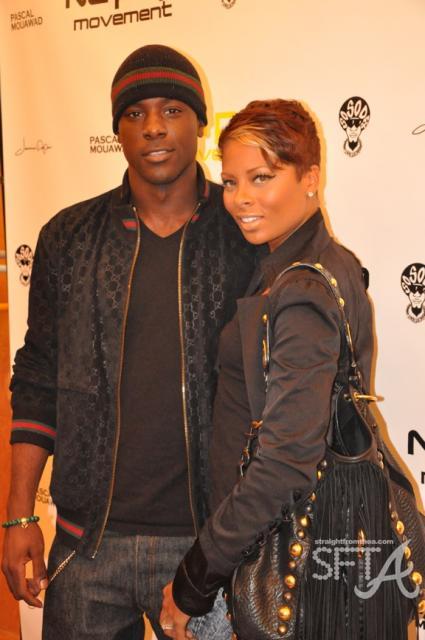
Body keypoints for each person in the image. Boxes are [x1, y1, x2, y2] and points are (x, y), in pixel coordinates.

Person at [1, 45, 257, 640]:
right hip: (88, 545)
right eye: (135, 113)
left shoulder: (243, 235)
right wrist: (18, 516)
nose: (154, 128)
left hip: (208, 547)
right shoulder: (69, 237)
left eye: (172, 110)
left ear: (200, 122)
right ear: (117, 130)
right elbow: (36, 380)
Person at [161, 99, 414, 639]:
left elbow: (284, 461)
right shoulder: (318, 264)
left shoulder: (301, 289)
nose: (241, 198)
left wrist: (196, 578)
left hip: (293, 561)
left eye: (262, 177)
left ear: (311, 179)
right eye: (231, 181)